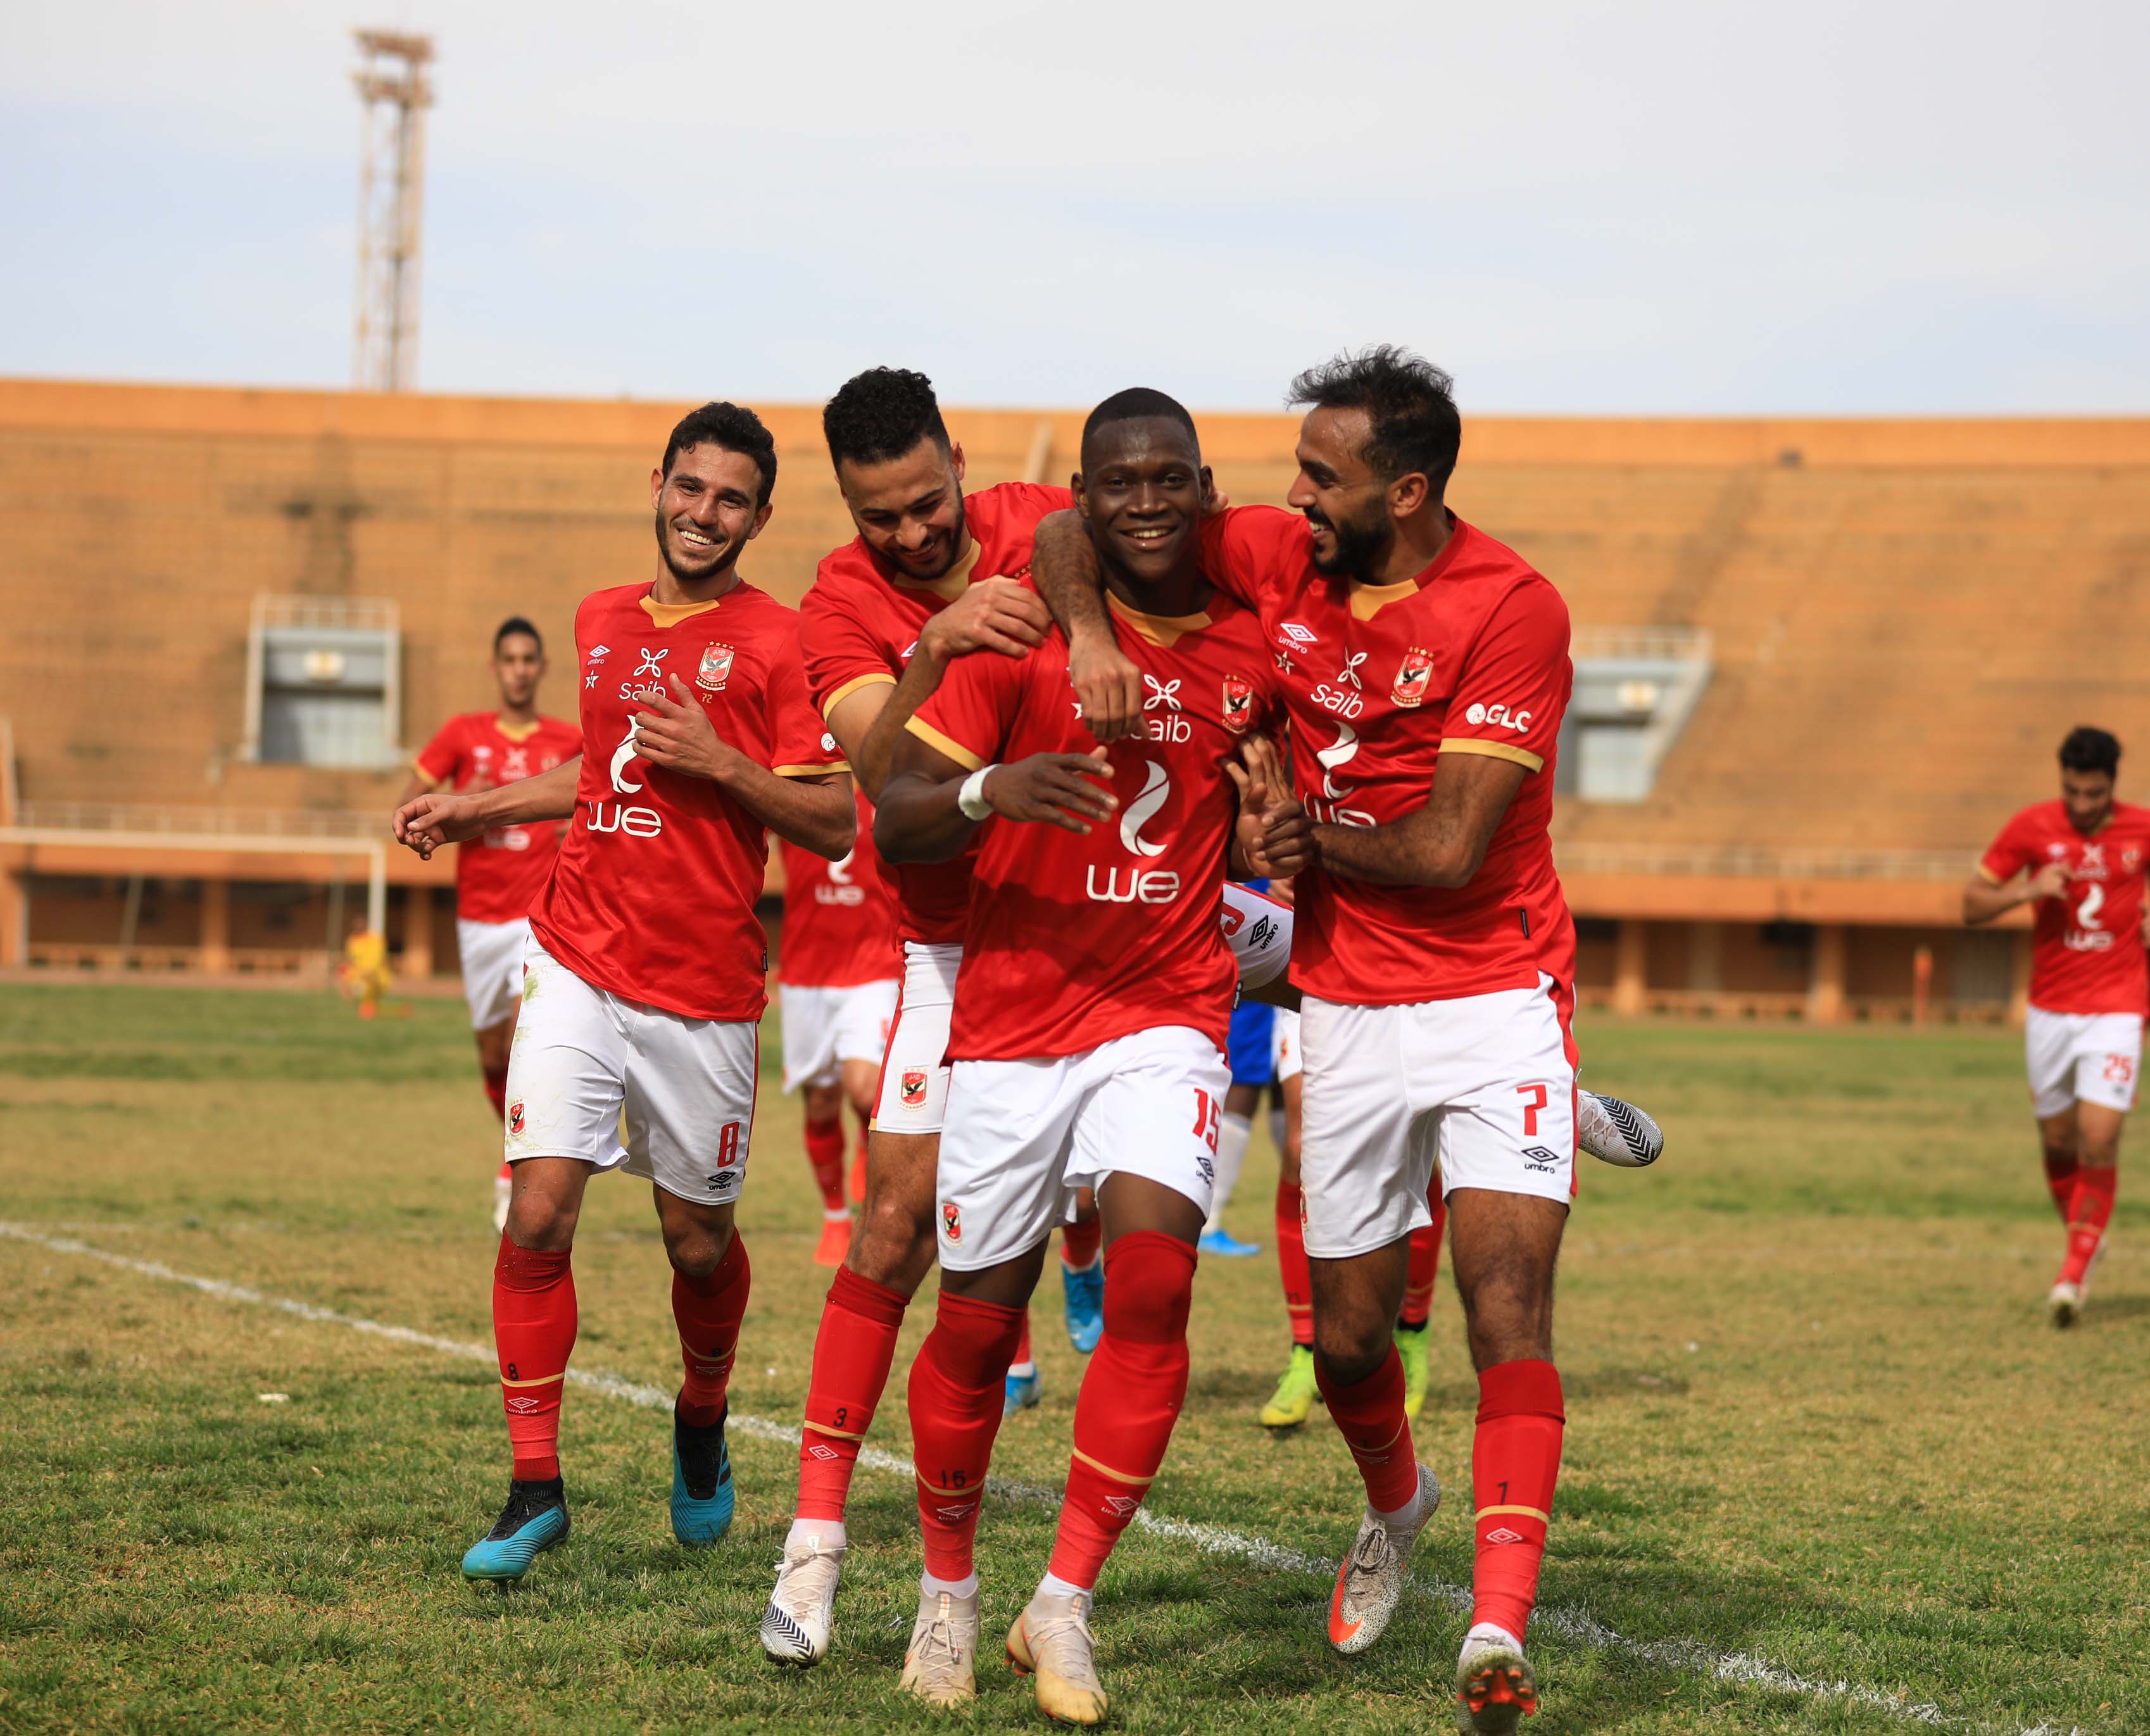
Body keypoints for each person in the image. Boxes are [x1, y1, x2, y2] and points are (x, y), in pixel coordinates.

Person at [1034, 347, 1578, 1732]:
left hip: (1496, 993)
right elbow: (1063, 528)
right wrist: (1089, 633)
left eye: (1320, 477)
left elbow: (1449, 849)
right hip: (1342, 1008)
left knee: (1504, 1305)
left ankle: (1498, 1626)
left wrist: (1301, 837)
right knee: (1344, 1349)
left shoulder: (1512, 607)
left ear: (1406, 491)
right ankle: (1399, 1505)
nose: (1293, 498)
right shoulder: (1286, 557)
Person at [873, 389, 1300, 1720]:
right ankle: (948, 1597)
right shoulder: (1021, 633)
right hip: (1013, 1022)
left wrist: (1277, 846)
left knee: (1156, 1278)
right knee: (975, 1320)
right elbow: (895, 815)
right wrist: (990, 789)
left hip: (1165, 1015)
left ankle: (1063, 1602)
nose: (1148, 502)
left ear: (1205, 487)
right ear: (1085, 499)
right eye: (1121, 482)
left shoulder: (1253, 655)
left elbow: (1277, 830)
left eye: (1172, 478)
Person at [392, 402, 854, 1584]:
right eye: (689, 488)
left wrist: (723, 762)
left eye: (731, 499)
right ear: (657, 485)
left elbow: (835, 818)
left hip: (704, 989)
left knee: (697, 1246)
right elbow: (597, 771)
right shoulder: (600, 617)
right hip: (575, 957)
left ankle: (702, 1415)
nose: (704, 514)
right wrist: (477, 807)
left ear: (760, 516)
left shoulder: (781, 642)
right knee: (538, 1211)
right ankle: (534, 1487)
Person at [762, 368, 1106, 1664]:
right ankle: (813, 1551)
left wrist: (1080, 603)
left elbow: (1100, 538)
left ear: (958, 463)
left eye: (926, 502)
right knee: (896, 1228)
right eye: (879, 516)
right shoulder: (838, 603)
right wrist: (936, 645)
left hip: (1094, 927)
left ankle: (1057, 1600)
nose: (909, 533)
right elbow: (879, 778)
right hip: (953, 956)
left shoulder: (1039, 518)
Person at [398, 619, 580, 1230]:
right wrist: (460, 803)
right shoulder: (463, 735)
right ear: (496, 666)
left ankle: (515, 1173)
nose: (520, 670)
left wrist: (575, 827)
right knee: (492, 1055)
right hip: (479, 920)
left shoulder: (569, 741)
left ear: (542, 667)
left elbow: (606, 804)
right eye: (510, 660)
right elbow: (406, 812)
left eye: (529, 659)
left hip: (540, 918)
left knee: (523, 1044)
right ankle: (514, 1146)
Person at [1966, 726, 2150, 1327]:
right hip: (2050, 1009)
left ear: (2112, 786)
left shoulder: (2142, 829)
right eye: (2072, 792)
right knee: (2058, 1144)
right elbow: (1971, 904)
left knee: (2099, 1140)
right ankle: (2086, 1236)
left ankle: (2072, 1273)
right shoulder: (2032, 827)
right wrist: (2029, 889)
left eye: (2094, 794)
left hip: (2119, 1007)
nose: (2082, 805)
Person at [776, 788, 900, 1266]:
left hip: (873, 966)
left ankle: (870, 1146)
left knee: (866, 1091)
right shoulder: (795, 789)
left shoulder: (886, 789)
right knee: (821, 1104)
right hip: (806, 971)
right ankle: (835, 1219)